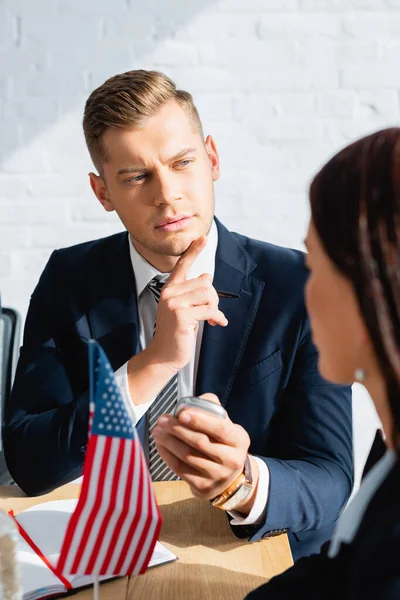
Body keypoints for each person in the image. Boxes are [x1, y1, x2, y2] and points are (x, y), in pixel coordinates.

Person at [4, 70, 352, 561]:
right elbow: (29, 460)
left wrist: (242, 482)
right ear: (102, 193)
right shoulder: (70, 278)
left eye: (182, 162)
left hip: (255, 558)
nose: (167, 194)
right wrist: (155, 364)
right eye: (136, 176)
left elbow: (330, 475)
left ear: (211, 159)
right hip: (106, 552)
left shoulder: (299, 284)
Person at [246, 127, 400, 598]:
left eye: (313, 267)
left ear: (367, 291)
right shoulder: (390, 447)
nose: (302, 291)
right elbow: (337, 569)